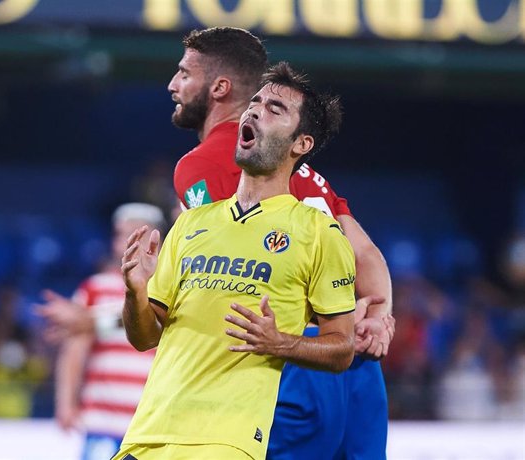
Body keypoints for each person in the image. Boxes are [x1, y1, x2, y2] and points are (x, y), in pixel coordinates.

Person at [166, 27, 393, 459]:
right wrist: (377, 315)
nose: (173, 85)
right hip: (355, 362)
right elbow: (365, 252)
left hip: (290, 357)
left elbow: (225, 273)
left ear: (219, 87)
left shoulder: (199, 166)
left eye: (183, 74)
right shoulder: (306, 174)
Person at [114, 62, 356, 459]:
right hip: (146, 435)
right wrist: (134, 292)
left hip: (226, 442)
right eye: (255, 102)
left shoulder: (317, 232)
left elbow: (342, 348)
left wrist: (281, 343)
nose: (255, 110)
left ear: (302, 144)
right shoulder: (192, 222)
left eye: (275, 109)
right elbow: (145, 337)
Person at [36, 203, 165, 460]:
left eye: (133, 234)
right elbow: (75, 348)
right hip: (103, 420)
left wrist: (89, 319)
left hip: (151, 422)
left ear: (155, 240)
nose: (124, 242)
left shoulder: (166, 288)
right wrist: (66, 403)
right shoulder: (95, 287)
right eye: (119, 234)